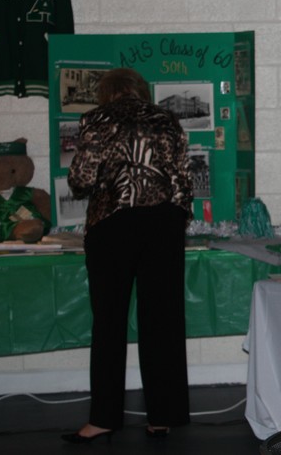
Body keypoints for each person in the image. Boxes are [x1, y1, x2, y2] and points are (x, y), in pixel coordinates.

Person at [63, 68, 193, 443]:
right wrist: (176, 218)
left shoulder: (96, 118)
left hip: (112, 224)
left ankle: (103, 418)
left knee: (109, 321)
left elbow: (81, 179)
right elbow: (182, 180)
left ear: (106, 93)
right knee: (163, 321)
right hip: (163, 224)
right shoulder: (166, 119)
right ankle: (162, 416)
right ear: (140, 90)